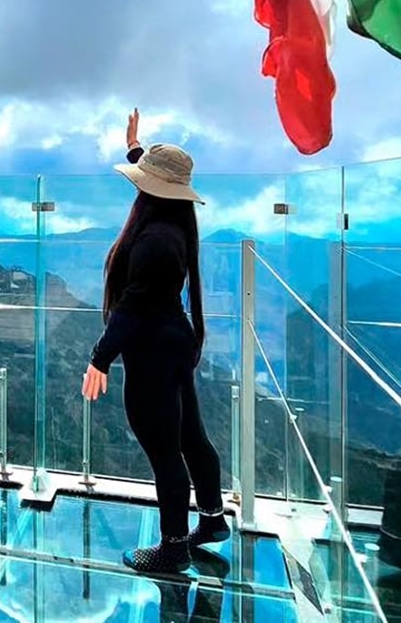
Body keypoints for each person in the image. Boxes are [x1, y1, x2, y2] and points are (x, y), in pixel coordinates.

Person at [81, 109, 229, 576]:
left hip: (151, 352)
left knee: (164, 449)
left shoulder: (155, 242)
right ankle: (211, 519)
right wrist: (134, 144)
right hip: (175, 343)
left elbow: (132, 307)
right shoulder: (175, 223)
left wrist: (99, 359)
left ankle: (172, 548)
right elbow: (154, 177)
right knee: (190, 437)